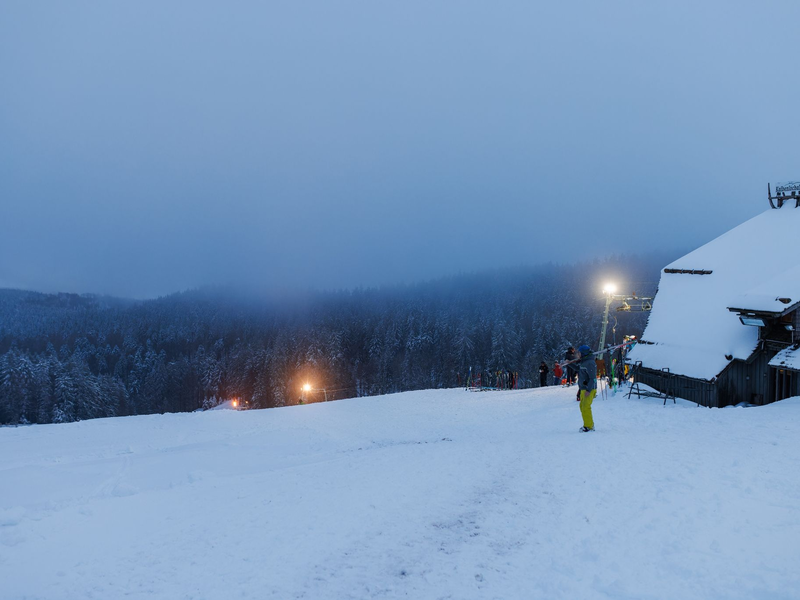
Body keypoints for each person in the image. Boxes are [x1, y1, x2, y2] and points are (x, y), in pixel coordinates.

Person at [577, 344, 597, 432]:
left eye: (579, 353)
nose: (578, 355)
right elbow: (578, 369)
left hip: (588, 389)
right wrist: (567, 364)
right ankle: (589, 424)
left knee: (585, 407)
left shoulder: (590, 363)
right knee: (582, 406)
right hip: (583, 388)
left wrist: (589, 390)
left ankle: (589, 426)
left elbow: (593, 378)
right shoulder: (584, 362)